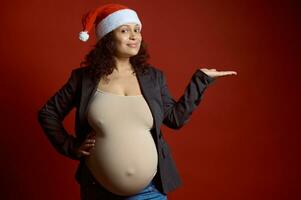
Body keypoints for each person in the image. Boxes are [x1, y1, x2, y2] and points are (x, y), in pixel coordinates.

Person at [37, 3, 237, 200]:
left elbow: (175, 119)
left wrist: (200, 81)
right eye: (125, 30)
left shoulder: (153, 78)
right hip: (98, 190)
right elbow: (48, 113)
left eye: (137, 29)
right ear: (108, 38)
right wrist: (71, 146)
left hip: (150, 192)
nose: (134, 36)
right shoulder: (84, 79)